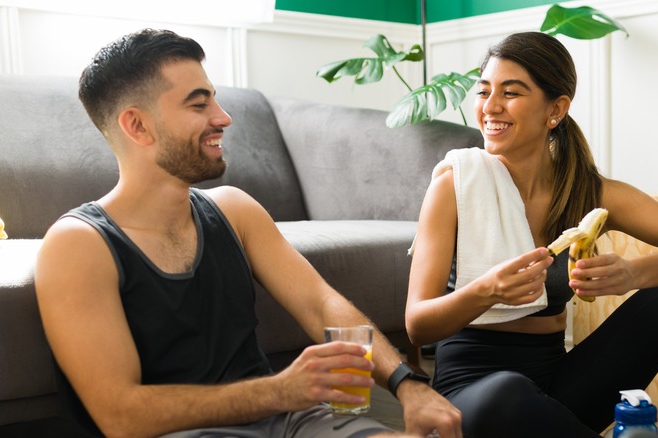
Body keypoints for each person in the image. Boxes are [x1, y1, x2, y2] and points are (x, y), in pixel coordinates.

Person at [34, 28, 462, 438]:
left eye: (214, 100)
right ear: (138, 126)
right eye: (198, 105)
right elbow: (120, 416)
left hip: (292, 421)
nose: (223, 117)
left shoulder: (233, 209)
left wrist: (409, 386)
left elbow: (320, 303)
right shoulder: (78, 244)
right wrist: (280, 390)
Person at [405, 31, 658, 438]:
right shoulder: (454, 186)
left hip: (560, 390)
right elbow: (417, 325)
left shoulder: (588, 192)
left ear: (555, 109)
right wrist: (487, 290)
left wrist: (633, 274)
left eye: (511, 93)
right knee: (508, 391)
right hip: (474, 394)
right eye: (484, 91)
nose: (490, 107)